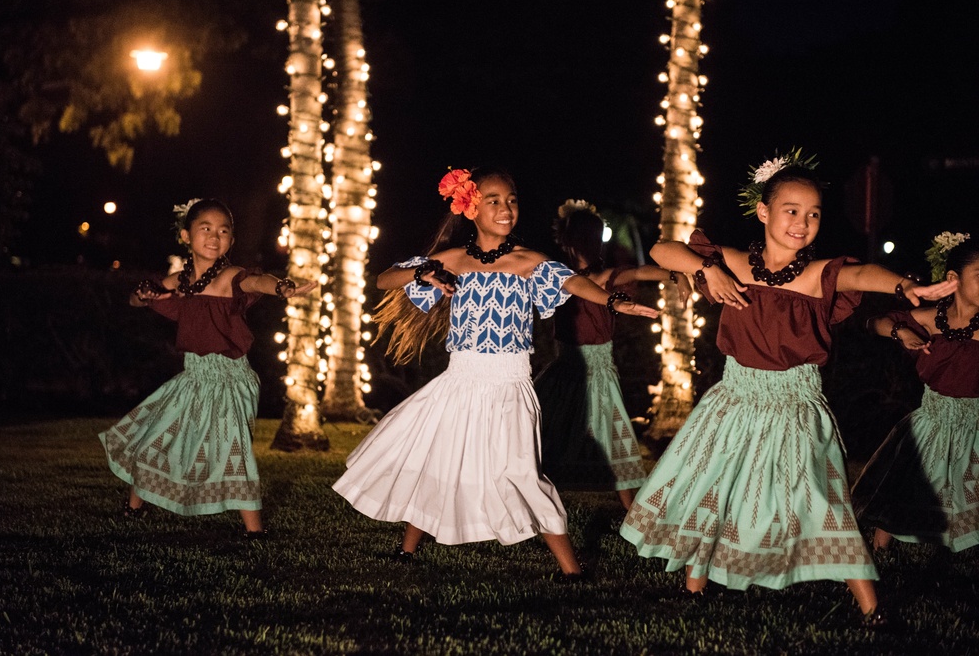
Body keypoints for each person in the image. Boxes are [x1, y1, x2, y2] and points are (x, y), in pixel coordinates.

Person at [618, 151, 956, 627]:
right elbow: (661, 249)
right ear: (764, 212)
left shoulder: (818, 274)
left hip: (795, 405)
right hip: (734, 400)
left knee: (821, 497)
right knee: (717, 485)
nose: (802, 222)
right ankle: (694, 589)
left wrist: (904, 287)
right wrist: (706, 269)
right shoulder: (732, 263)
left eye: (813, 213)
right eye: (791, 211)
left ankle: (870, 604)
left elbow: (861, 276)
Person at [332, 168, 658, 578]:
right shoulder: (453, 261)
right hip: (459, 382)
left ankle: (571, 570)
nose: (506, 209)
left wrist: (615, 304)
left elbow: (574, 283)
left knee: (522, 472)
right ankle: (407, 551)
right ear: (470, 207)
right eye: (494, 200)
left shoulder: (527, 261)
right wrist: (422, 273)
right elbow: (383, 280)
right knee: (440, 462)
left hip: (509, 385)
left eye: (512, 200)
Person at [99, 198, 313, 538]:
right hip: (193, 374)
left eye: (224, 231)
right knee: (159, 435)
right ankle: (133, 506)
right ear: (186, 236)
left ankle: (254, 530)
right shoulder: (179, 281)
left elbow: (257, 282)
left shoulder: (230, 277)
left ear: (231, 240)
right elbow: (137, 298)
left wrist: (282, 287)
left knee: (232, 448)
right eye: (206, 229)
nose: (215, 237)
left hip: (229, 376)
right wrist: (145, 296)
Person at [535, 199, 691, 509]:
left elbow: (639, 272)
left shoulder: (608, 275)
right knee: (548, 432)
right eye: (584, 236)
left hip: (599, 368)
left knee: (612, 436)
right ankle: (539, 502)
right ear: (567, 239)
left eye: (596, 236)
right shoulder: (556, 278)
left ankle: (630, 509)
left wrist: (674, 275)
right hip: (566, 366)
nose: (591, 243)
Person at [852, 231, 979, 554]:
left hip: (974, 424)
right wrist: (900, 330)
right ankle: (881, 549)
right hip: (932, 419)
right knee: (905, 481)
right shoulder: (927, 319)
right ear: (953, 279)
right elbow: (874, 323)